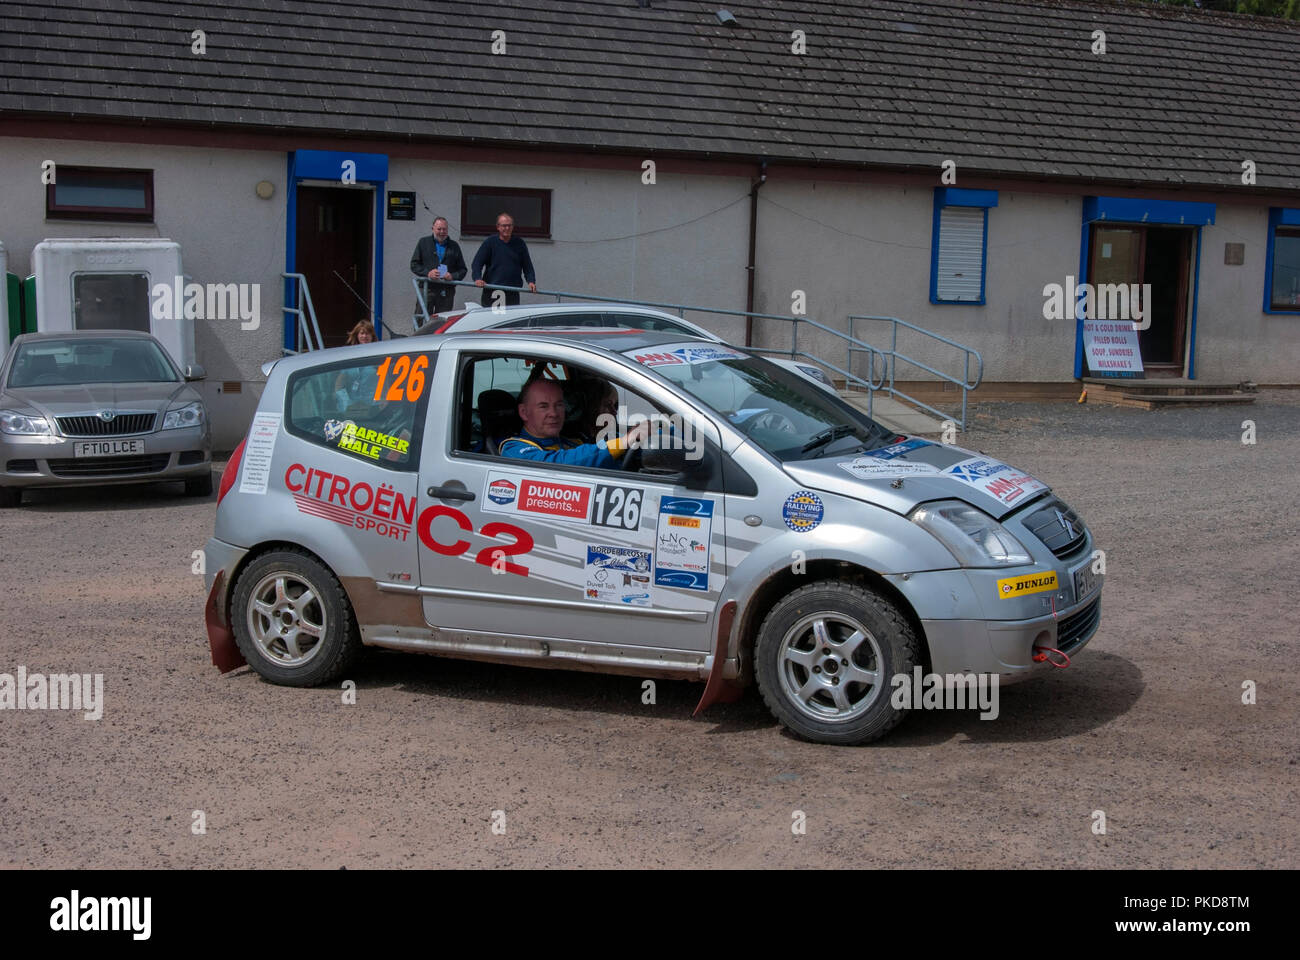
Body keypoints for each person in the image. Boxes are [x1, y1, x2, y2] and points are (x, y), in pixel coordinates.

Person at [500, 378, 646, 468]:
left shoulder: (574, 441)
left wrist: (654, 434)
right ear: (524, 412)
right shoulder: (514, 448)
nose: (554, 413)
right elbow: (556, 465)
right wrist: (624, 441)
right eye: (543, 406)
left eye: (559, 405)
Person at [472, 212, 537, 308]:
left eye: (509, 225)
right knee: (495, 319)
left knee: (510, 320)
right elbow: (477, 263)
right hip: (493, 290)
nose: (507, 228)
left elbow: (527, 266)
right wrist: (477, 278)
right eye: (504, 226)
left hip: (512, 291)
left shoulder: (519, 243)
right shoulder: (490, 242)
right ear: (498, 227)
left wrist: (531, 281)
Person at [410, 217, 468, 319]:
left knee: (442, 322)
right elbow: (414, 265)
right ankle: (419, 336)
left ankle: (438, 336)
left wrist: (452, 276)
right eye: (439, 229)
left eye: (444, 229)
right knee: (421, 320)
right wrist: (428, 273)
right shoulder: (423, 243)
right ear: (433, 228)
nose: (442, 232)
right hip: (427, 289)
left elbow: (463, 270)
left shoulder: (454, 246)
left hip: (446, 292)